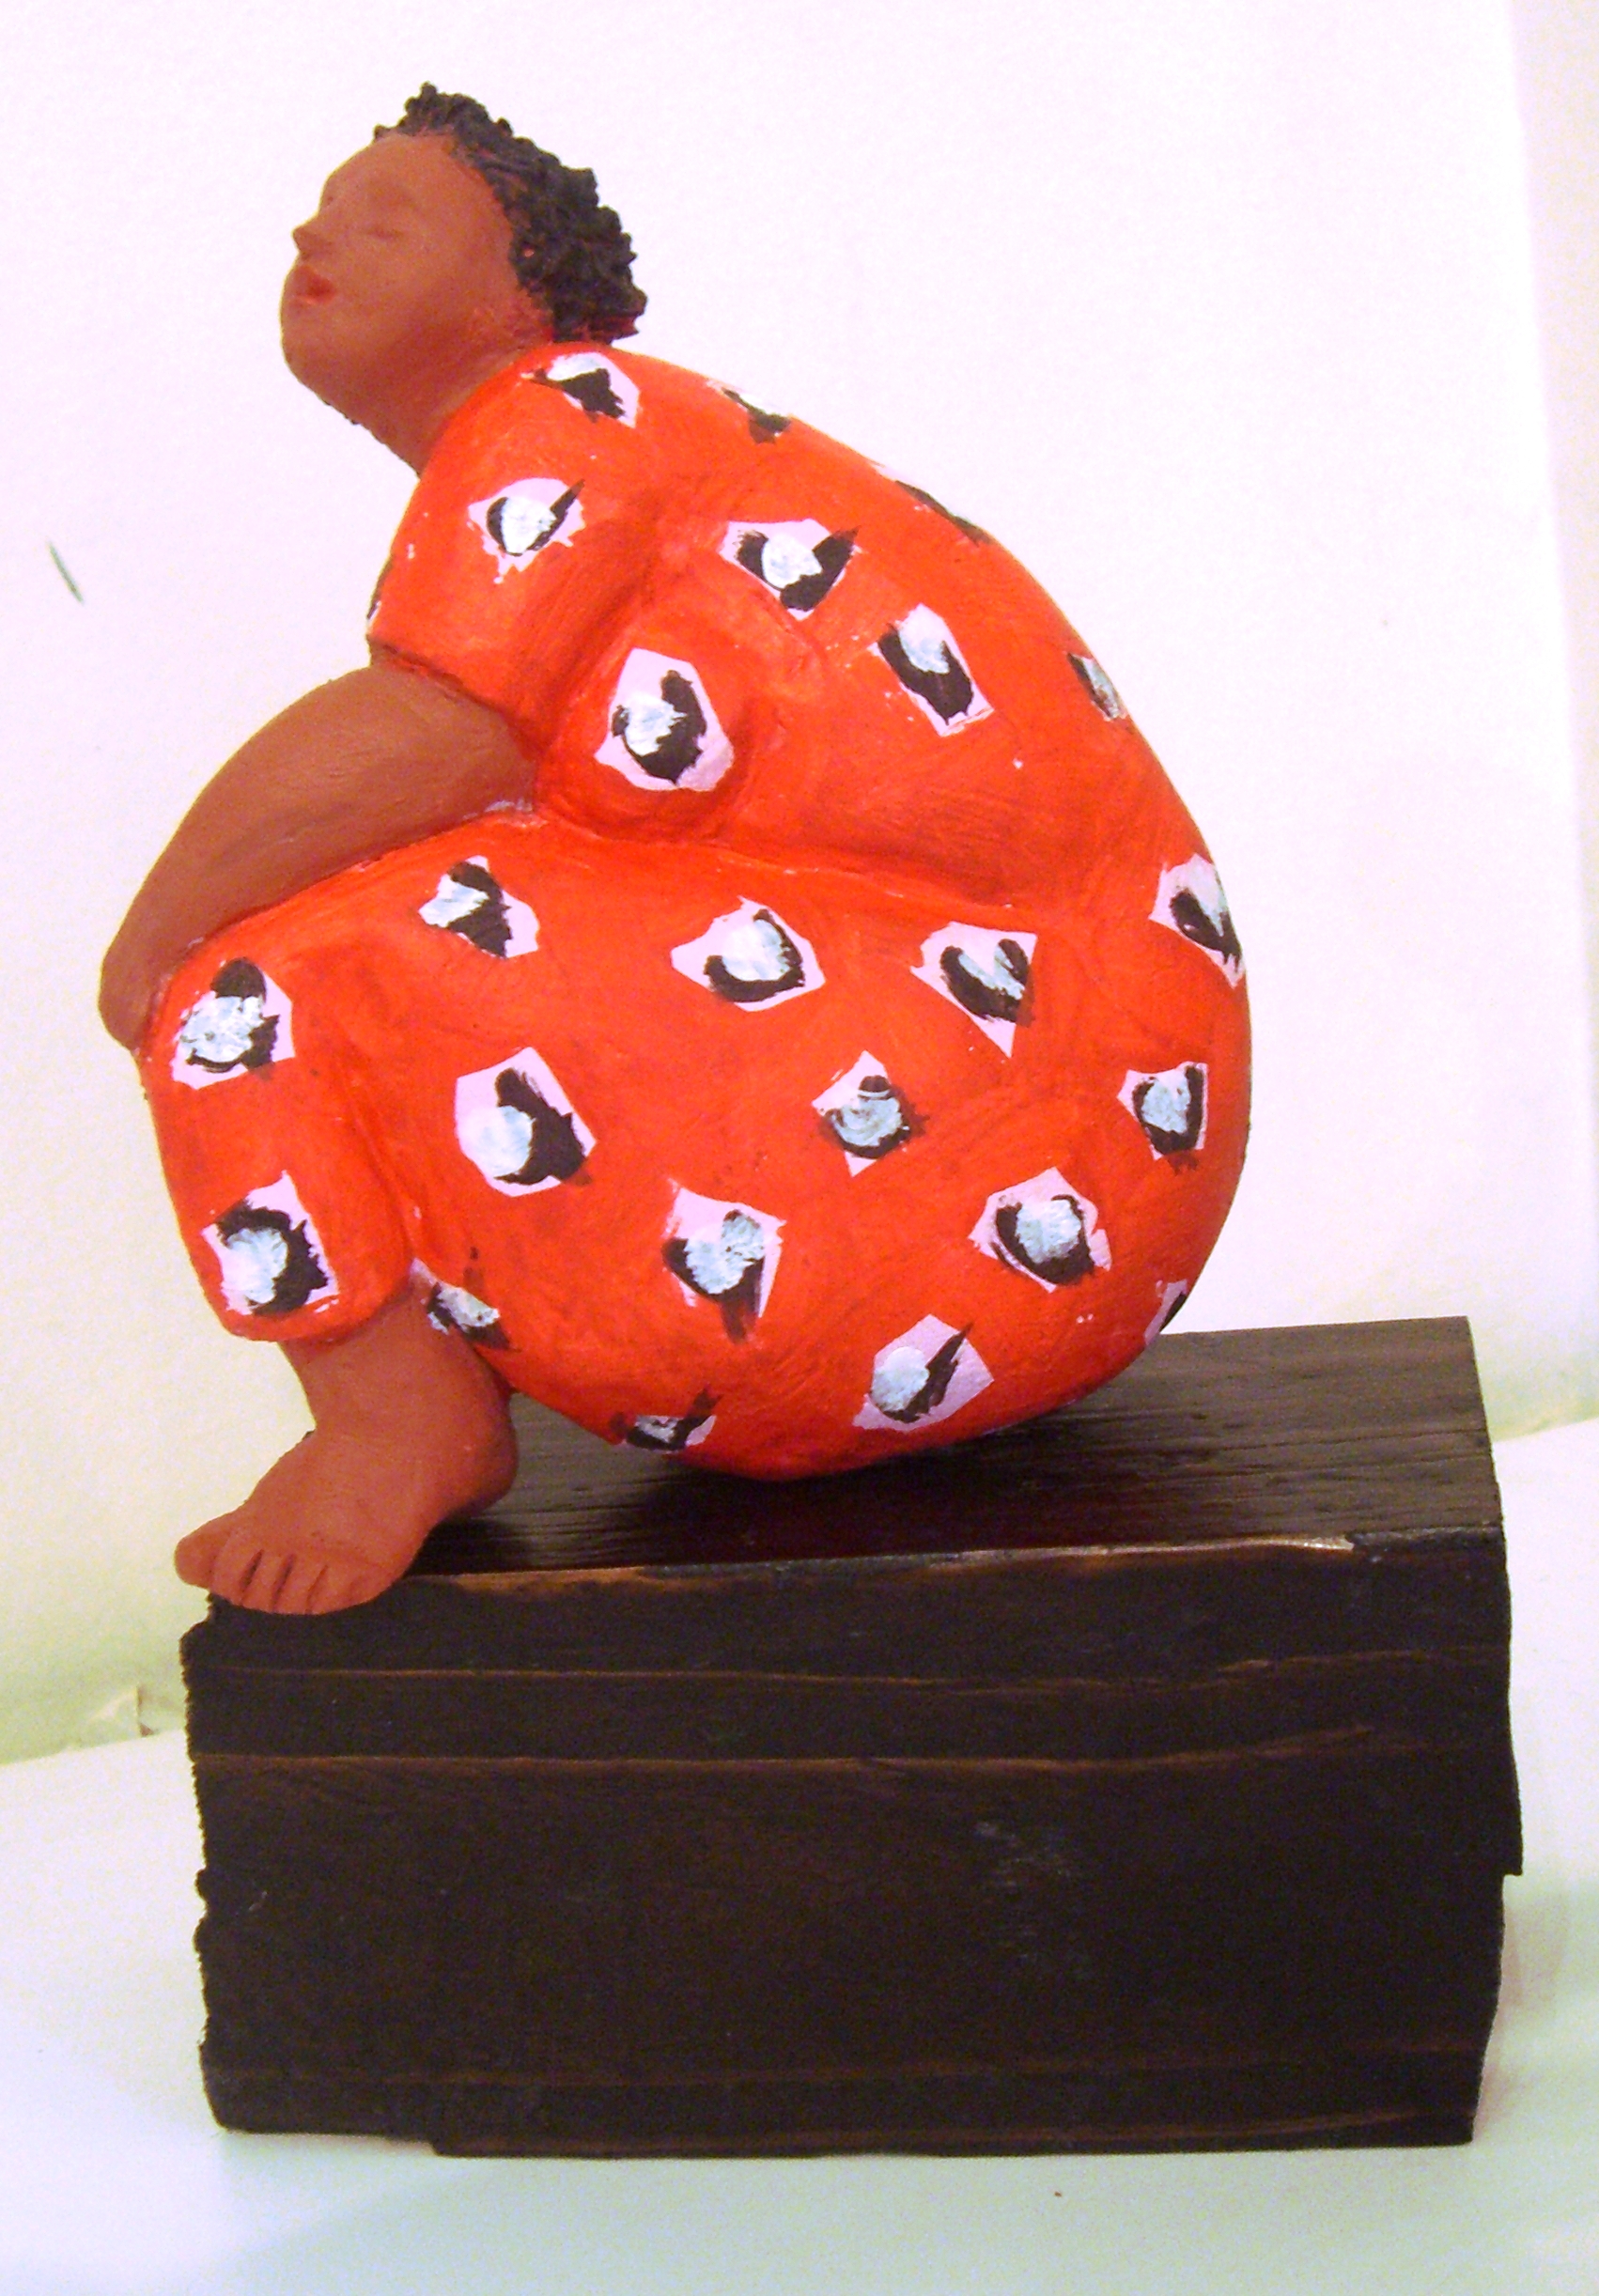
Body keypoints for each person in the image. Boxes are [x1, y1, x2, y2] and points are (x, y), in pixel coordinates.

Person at [101, 87, 1249, 1616]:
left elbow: (435, 728)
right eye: (322, 210)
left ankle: (397, 1421)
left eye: (387, 221)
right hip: (1059, 1186)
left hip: (1001, 1138)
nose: (320, 235)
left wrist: (153, 942)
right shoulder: (645, 444)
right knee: (331, 945)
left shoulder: (573, 413)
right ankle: (412, 1411)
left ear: (522, 294)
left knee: (244, 988)